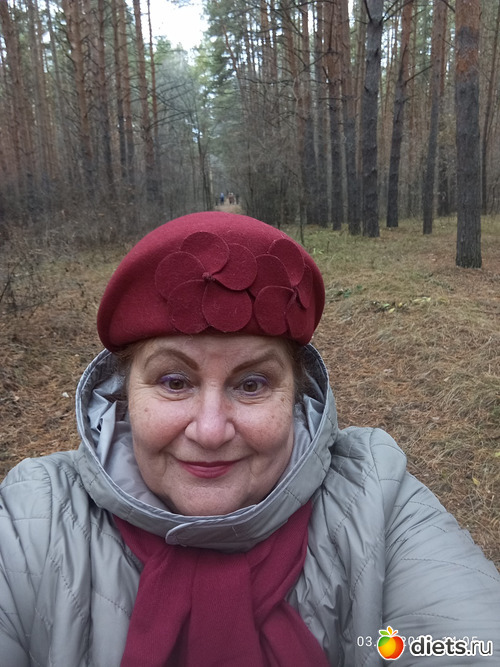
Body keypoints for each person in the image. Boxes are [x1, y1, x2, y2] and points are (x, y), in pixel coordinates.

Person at [0, 211, 499, 667]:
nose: (210, 431)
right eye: (175, 382)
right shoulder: (32, 521)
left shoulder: (377, 502)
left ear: (297, 395)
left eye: (252, 384)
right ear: (124, 395)